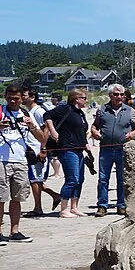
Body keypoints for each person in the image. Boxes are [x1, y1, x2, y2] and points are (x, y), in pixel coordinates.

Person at [0, 83, 46, 242]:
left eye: (16, 99)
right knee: (1, 198)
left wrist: (32, 126)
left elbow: (42, 138)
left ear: (22, 99)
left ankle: (15, 231)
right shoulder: (0, 112)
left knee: (17, 197)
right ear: (5, 97)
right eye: (10, 98)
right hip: (2, 160)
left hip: (20, 160)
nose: (13, 101)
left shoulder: (26, 113)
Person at [91, 85, 135, 216]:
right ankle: (102, 206)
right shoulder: (102, 110)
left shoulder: (129, 110)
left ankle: (121, 205)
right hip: (106, 149)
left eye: (121, 94)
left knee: (122, 178)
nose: (119, 97)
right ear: (110, 95)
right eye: (116, 94)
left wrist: (133, 133)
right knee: (103, 178)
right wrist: (94, 131)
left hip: (123, 149)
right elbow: (95, 125)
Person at [43, 88, 89, 218]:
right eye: (84, 98)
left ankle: (74, 207)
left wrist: (85, 143)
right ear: (76, 99)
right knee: (72, 179)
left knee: (80, 179)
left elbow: (81, 130)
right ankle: (64, 209)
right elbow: (47, 116)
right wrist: (52, 131)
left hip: (79, 149)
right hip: (67, 148)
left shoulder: (80, 113)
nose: (86, 100)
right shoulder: (65, 109)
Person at [21, 84, 58, 217]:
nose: (22, 98)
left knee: (36, 179)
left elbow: (46, 129)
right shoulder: (27, 111)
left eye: (24, 96)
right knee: (34, 179)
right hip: (30, 148)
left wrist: (43, 147)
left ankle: (38, 207)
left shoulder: (38, 111)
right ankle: (54, 196)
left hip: (37, 148)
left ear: (32, 97)